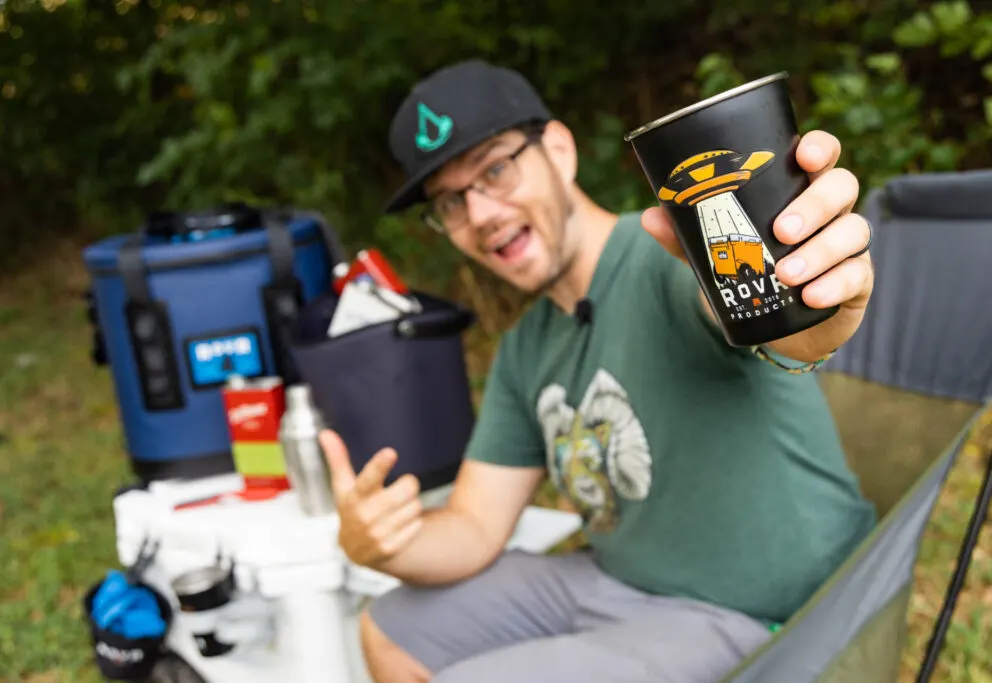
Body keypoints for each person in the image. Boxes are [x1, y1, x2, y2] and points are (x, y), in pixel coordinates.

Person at [319, 59, 878, 683]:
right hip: (613, 582)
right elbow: (475, 527)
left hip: (764, 612)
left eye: (496, 170)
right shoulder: (525, 348)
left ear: (558, 150)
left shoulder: (667, 259)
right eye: (450, 202)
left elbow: (786, 329)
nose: (478, 214)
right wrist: (382, 545)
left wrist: (825, 300)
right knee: (391, 628)